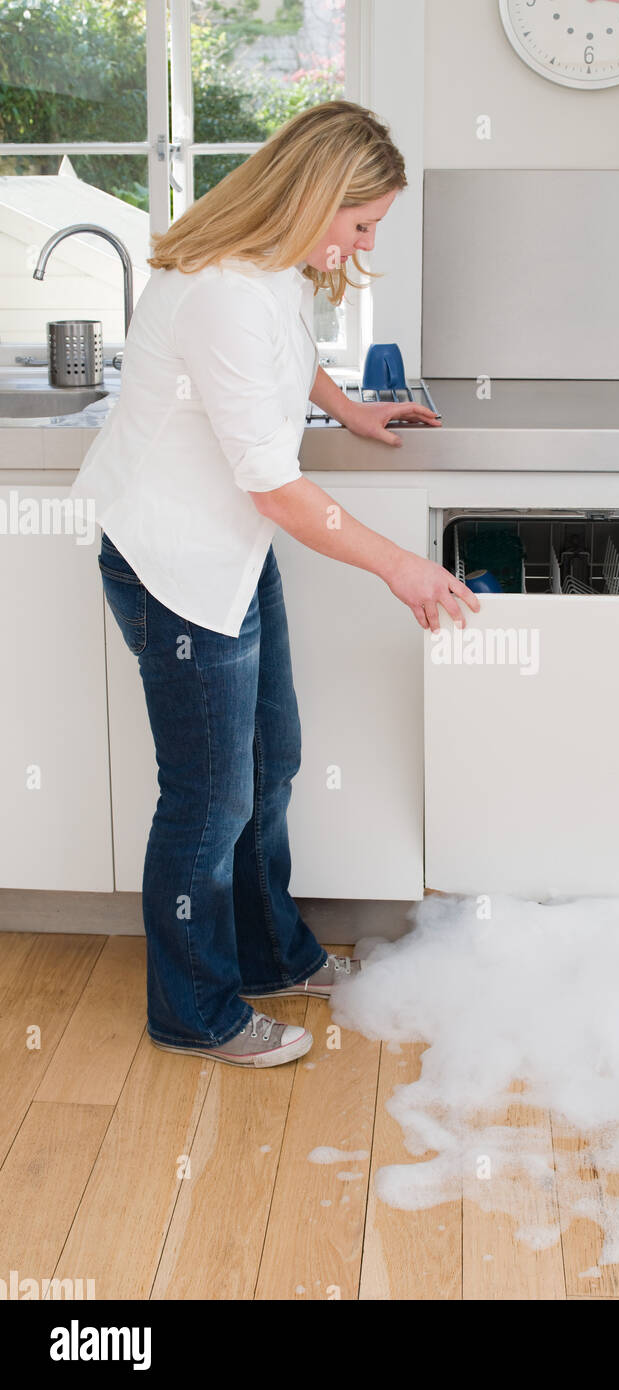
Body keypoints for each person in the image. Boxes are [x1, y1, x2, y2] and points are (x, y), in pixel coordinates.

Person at [69, 100, 478, 1069]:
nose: (365, 242)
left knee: (271, 763)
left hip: (230, 550)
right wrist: (401, 566)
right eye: (362, 221)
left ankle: (266, 951)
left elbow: (287, 366)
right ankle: (194, 1008)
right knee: (207, 800)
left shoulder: (275, 267)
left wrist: (353, 407)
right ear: (315, 197)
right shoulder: (221, 289)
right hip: (174, 563)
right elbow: (278, 488)